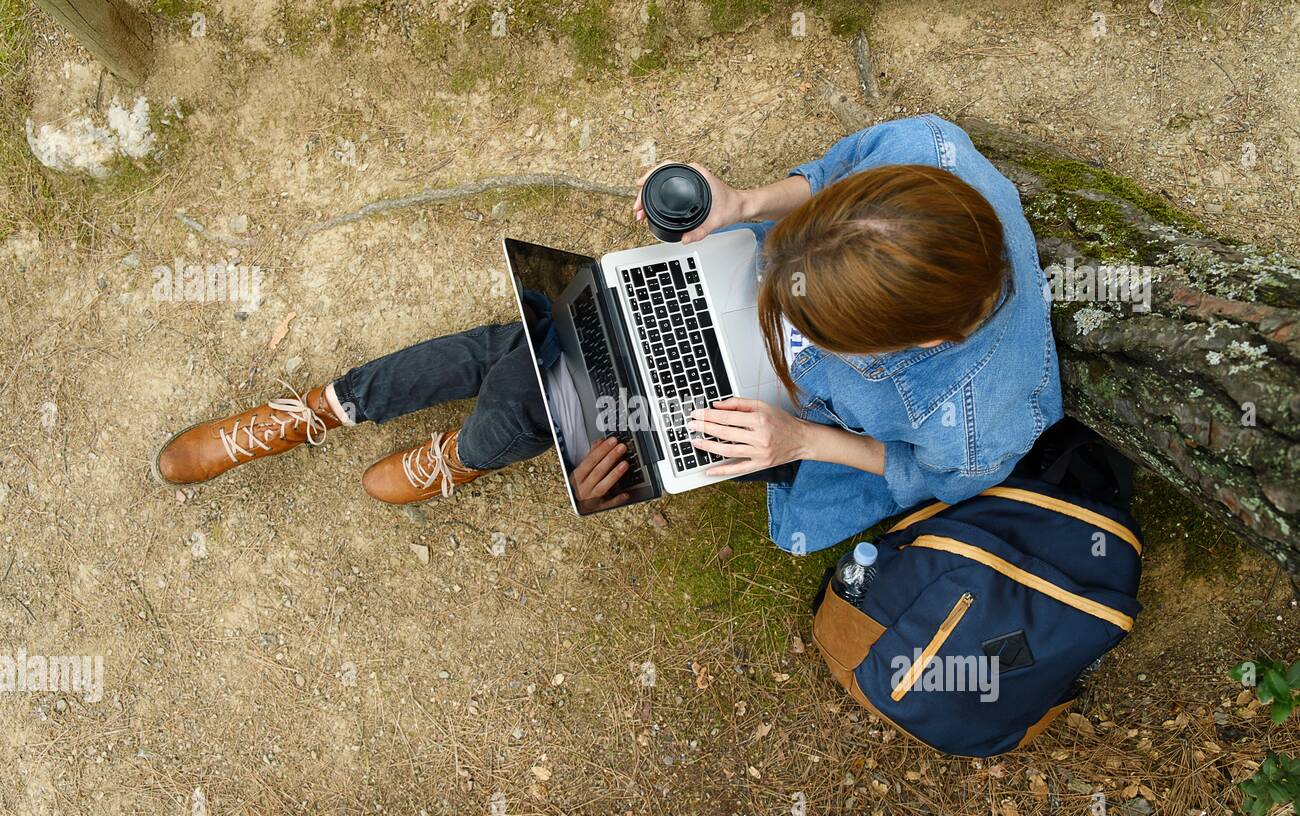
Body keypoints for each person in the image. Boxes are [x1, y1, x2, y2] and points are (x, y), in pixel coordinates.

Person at [154, 115, 1061, 553]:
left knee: (532, 351)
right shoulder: (930, 156)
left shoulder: (983, 416)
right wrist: (748, 207)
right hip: (736, 303)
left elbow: (924, 476)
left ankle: (333, 412)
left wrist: (803, 438)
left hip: (781, 417)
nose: (781, 317)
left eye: (812, 324)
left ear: (926, 344)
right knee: (558, 341)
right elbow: (829, 173)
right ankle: (445, 446)